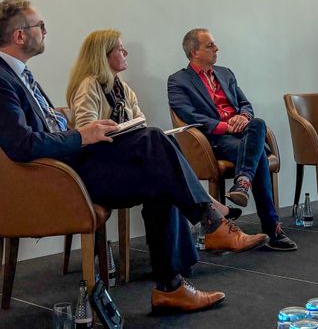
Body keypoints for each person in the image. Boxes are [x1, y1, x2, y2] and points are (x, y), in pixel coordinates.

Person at [0, 0, 258, 314]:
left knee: (159, 173)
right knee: (153, 142)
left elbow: (42, 129)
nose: (46, 31)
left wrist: (73, 128)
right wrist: (82, 135)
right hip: (53, 183)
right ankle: (211, 222)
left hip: (65, 173)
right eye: (40, 26)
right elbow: (23, 145)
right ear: (20, 36)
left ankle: (171, 287)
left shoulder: (13, 74)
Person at [65, 28, 268, 255]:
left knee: (164, 163)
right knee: (157, 147)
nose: (126, 53)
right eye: (120, 49)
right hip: (100, 169)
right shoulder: (89, 85)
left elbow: (139, 123)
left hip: (124, 163)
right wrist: (120, 131)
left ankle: (179, 267)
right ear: (103, 55)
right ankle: (213, 219)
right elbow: (86, 134)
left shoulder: (123, 89)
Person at [168, 28, 297, 251]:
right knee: (259, 156)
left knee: (257, 123)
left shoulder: (225, 73)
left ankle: (243, 182)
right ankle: (272, 229)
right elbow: (187, 114)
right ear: (194, 52)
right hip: (213, 140)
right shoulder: (178, 80)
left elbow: (245, 104)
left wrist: (243, 117)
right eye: (210, 46)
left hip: (243, 134)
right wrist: (225, 126)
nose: (216, 49)